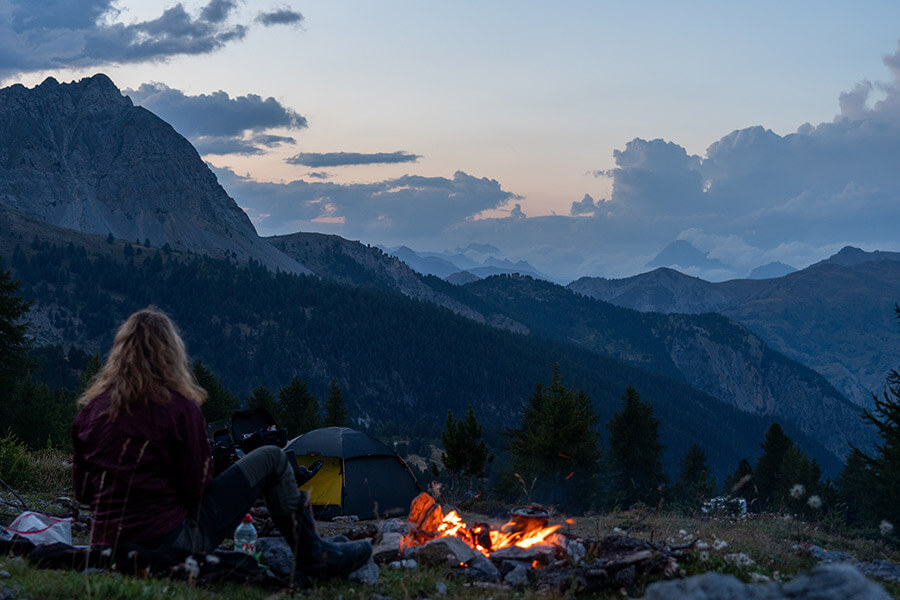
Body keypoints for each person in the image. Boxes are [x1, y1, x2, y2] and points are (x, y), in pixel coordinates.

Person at [72, 308, 370, 578]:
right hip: (170, 543)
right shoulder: (177, 407)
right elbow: (195, 489)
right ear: (170, 353)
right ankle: (313, 555)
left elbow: (83, 493)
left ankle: (316, 547)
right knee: (272, 458)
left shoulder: (90, 412)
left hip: (106, 546)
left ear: (120, 353)